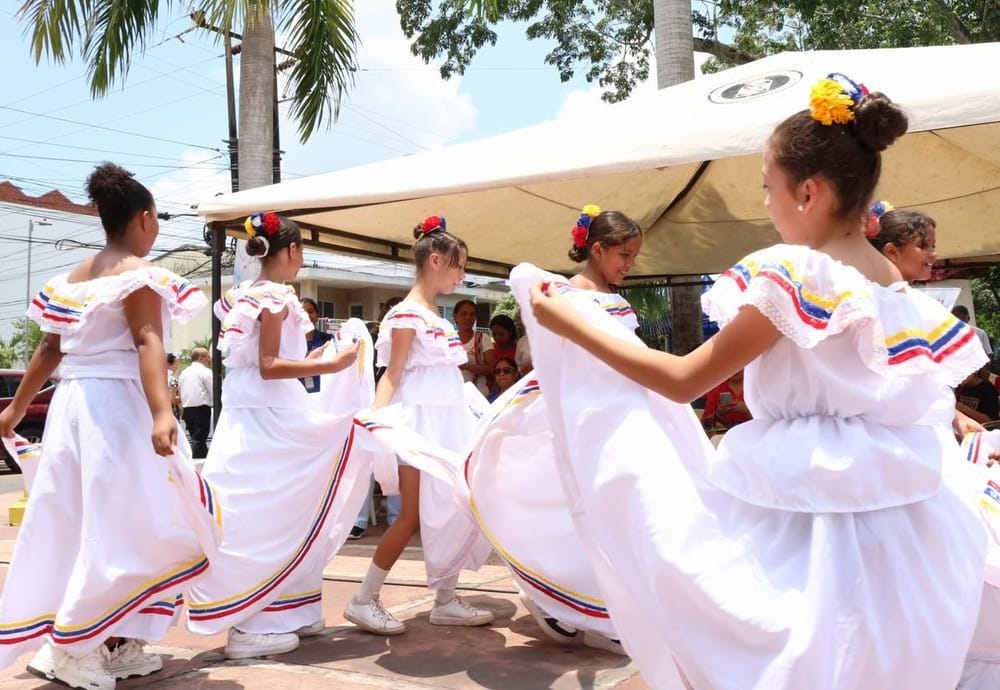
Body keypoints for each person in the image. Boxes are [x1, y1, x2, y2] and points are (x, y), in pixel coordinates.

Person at [523, 75, 993, 689]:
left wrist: (567, 322)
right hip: (908, 522)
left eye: (768, 189)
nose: (767, 204)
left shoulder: (791, 273)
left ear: (807, 191)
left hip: (797, 508)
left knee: (769, 645)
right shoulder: (895, 287)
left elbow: (683, 379)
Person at [0, 162, 219, 690]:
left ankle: (110, 641)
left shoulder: (72, 279)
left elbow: (49, 350)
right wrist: (164, 411)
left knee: (91, 522)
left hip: (73, 409)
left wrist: (13, 409)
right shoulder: (137, 273)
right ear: (145, 218)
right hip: (116, 411)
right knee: (126, 525)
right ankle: (77, 645)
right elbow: (148, 341)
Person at [462, 205, 642, 657]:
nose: (629, 263)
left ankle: (593, 607)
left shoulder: (606, 298)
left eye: (634, 256)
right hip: (583, 416)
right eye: (623, 254)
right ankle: (576, 605)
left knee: (611, 514)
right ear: (596, 249)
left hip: (618, 415)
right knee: (578, 513)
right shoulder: (564, 294)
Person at [186, 212, 365, 660]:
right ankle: (253, 623)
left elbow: (264, 360)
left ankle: (290, 611)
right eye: (301, 250)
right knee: (272, 511)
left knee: (275, 508)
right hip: (268, 413)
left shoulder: (244, 295)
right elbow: (270, 365)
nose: (302, 259)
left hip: (254, 410)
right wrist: (328, 365)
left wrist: (317, 355)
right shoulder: (275, 297)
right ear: (290, 250)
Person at [344, 215, 493, 635]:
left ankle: (445, 599)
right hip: (419, 427)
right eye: (458, 265)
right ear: (434, 260)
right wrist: (374, 420)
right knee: (410, 515)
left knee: (452, 508)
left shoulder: (432, 314)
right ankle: (362, 598)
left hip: (446, 424)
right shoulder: (408, 314)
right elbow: (392, 374)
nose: (462, 274)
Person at [350, 296, 405, 540]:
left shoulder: (409, 345)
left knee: (396, 462)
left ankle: (396, 519)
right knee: (366, 464)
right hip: (369, 408)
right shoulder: (371, 342)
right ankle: (358, 521)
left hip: (399, 409)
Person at [454, 298, 495, 397]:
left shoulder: (482, 339)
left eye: (472, 314)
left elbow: (492, 368)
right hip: (454, 395)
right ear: (455, 316)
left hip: (478, 396)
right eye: (464, 314)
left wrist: (467, 367)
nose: (468, 317)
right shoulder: (448, 340)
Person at [178, 347, 213, 458]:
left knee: (195, 438)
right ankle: (198, 462)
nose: (209, 359)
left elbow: (181, 390)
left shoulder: (183, 373)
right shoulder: (205, 371)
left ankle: (198, 460)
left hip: (188, 409)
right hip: (201, 409)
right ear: (200, 357)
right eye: (207, 356)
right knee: (199, 439)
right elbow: (213, 389)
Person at [699, 369, 751, 434]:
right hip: (722, 436)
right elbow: (704, 424)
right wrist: (718, 414)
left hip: (751, 433)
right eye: (731, 367)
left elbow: (765, 422)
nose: (735, 369)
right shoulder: (716, 389)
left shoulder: (755, 387)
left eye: (738, 366)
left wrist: (747, 410)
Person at [300, 297, 333, 393]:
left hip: (322, 394)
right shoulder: (289, 343)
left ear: (317, 315)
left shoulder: (328, 340)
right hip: (297, 397)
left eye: (311, 312)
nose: (307, 316)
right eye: (303, 313)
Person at [166, 353, 181, 418]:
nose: (177, 367)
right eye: (175, 364)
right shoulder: (173, 380)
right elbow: (172, 398)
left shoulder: (158, 378)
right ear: (168, 364)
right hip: (171, 410)